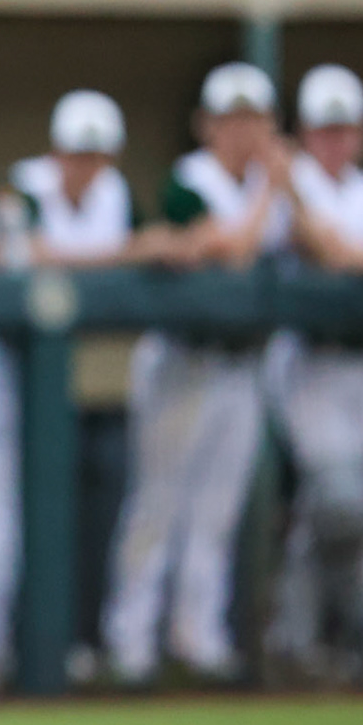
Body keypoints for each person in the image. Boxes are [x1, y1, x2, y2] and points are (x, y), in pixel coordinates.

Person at [0, 89, 151, 675]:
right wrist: (122, 252)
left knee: (47, 504)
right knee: (6, 504)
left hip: (44, 368)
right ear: (55, 151)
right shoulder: (23, 186)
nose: (84, 165)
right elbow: (23, 253)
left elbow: (145, 249)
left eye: (96, 154)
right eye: (74, 153)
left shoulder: (116, 197)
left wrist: (120, 250)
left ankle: (41, 642)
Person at [103, 61, 292, 683]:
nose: (244, 132)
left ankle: (197, 640)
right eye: (232, 119)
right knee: (157, 506)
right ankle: (131, 642)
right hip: (182, 360)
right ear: (207, 125)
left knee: (216, 513)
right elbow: (231, 248)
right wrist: (276, 187)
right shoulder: (191, 181)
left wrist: (284, 187)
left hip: (243, 364)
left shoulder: (281, 187)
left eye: (255, 119)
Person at [262, 65, 363, 680]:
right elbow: (326, 249)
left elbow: (345, 251)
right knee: (341, 503)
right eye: (323, 130)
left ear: (361, 133)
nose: (335, 141)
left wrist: (347, 251)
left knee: (361, 511)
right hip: (307, 361)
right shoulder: (289, 184)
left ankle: (330, 640)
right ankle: (307, 633)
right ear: (306, 133)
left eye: (345, 130)